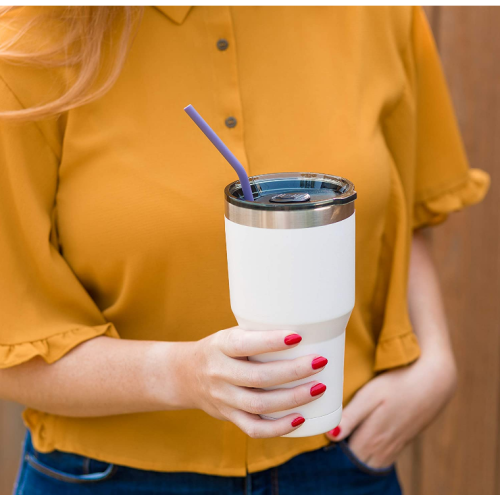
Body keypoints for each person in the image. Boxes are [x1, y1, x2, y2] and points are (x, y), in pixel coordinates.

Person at [0, 6, 490, 495]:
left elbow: (408, 207)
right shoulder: (27, 43)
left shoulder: (374, 13)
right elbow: (11, 343)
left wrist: (435, 362)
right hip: (110, 479)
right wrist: (182, 375)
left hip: (341, 460)